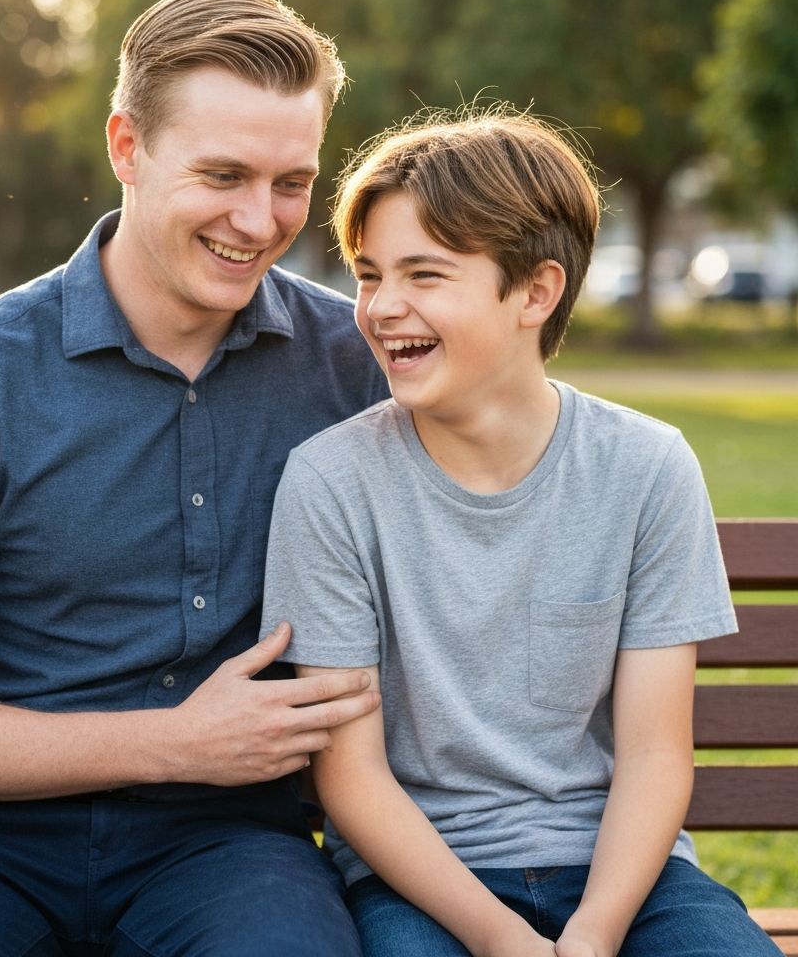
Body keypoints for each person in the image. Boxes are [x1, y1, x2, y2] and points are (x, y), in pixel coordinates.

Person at [0, 0, 388, 957]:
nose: (258, 220)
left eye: (292, 182)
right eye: (222, 175)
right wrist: (176, 741)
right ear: (126, 147)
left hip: (228, 845)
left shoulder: (355, 363)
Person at [259, 106, 783, 956]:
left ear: (535, 291)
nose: (384, 307)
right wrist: (503, 940)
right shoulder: (330, 482)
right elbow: (350, 777)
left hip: (622, 878)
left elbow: (654, 754)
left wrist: (596, 933)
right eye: (368, 274)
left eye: (425, 275)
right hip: (420, 882)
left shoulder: (647, 468)